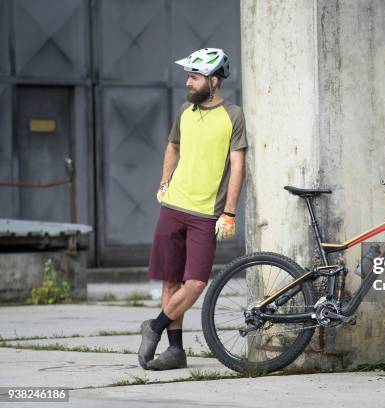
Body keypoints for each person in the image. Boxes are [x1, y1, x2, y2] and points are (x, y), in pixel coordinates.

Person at [138, 48, 247, 370]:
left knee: (196, 282)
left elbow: (237, 165)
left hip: (206, 214)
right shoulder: (185, 111)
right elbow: (173, 147)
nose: (188, 83)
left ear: (213, 81)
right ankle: (175, 351)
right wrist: (163, 183)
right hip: (173, 207)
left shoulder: (233, 115)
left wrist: (229, 211)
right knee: (170, 280)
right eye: (188, 76)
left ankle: (154, 326)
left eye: (194, 77)